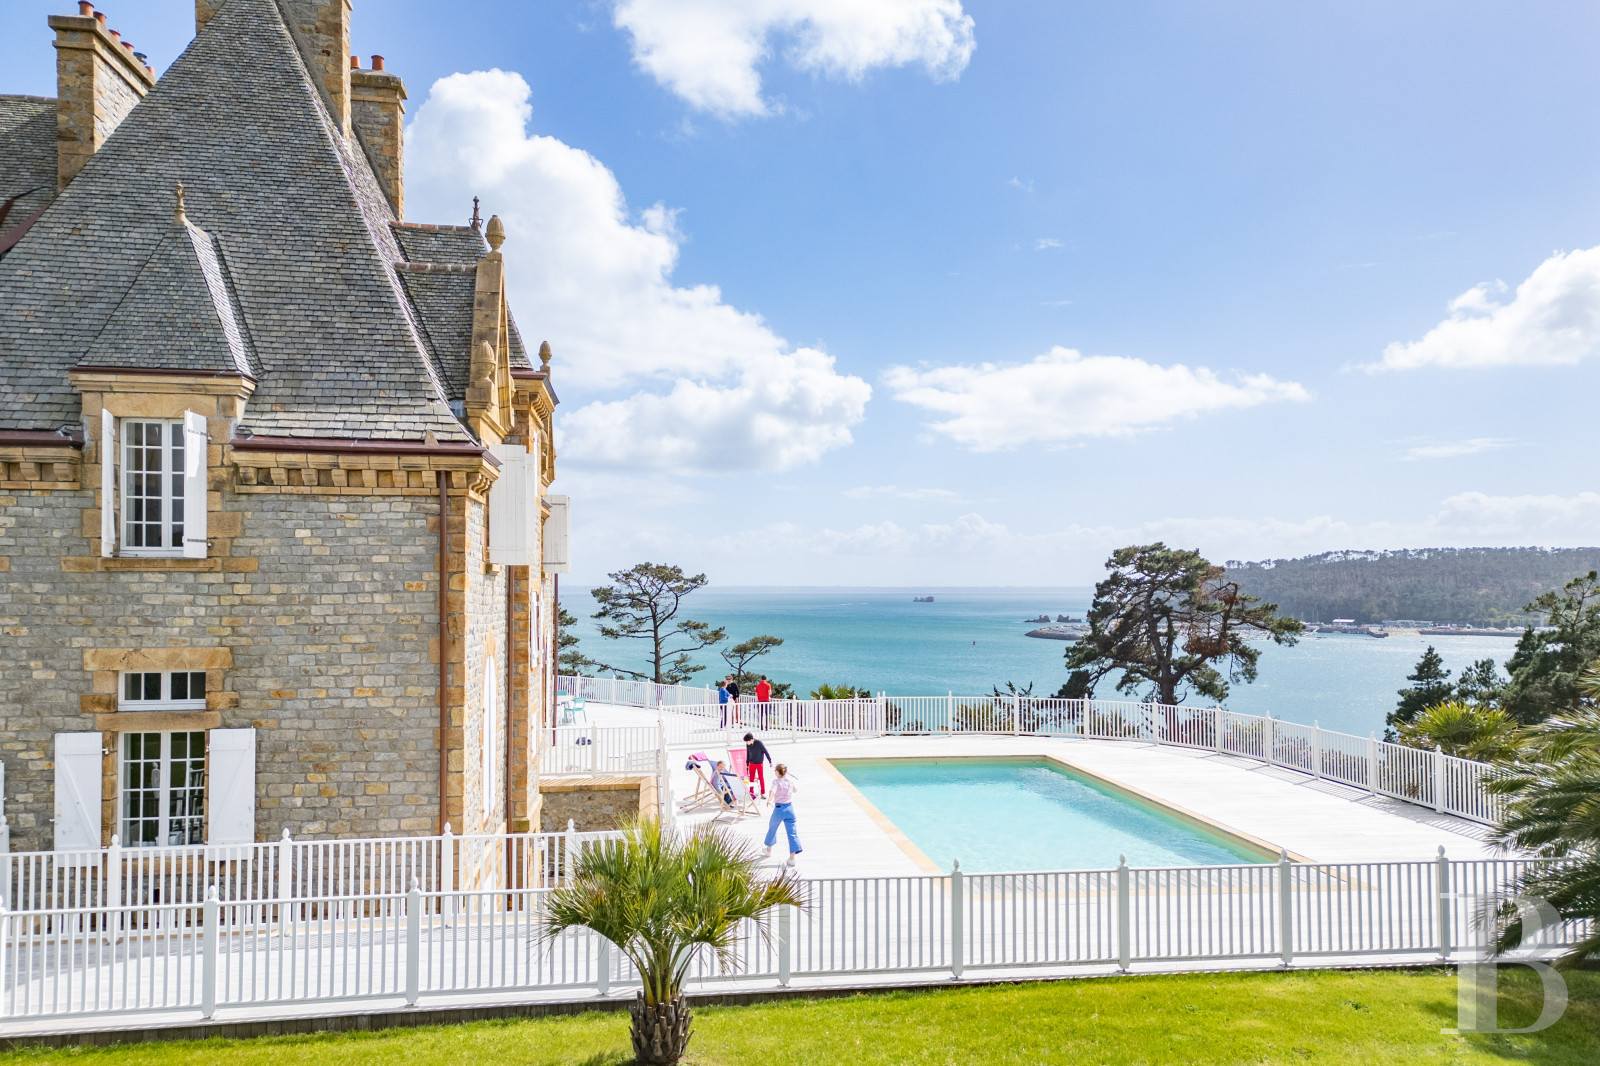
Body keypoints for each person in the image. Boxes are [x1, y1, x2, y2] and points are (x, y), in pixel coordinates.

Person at [763, 763, 802, 866]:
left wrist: (769, 800)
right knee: (792, 833)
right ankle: (792, 858)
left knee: (772, 828)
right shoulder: (790, 781)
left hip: (779, 809)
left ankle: (768, 850)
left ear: (777, 771)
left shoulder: (776, 781)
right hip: (790, 808)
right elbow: (795, 790)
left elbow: (772, 791)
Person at [743, 732, 772, 799]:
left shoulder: (759, 743)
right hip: (751, 763)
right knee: (751, 778)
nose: (746, 743)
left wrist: (769, 760)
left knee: (761, 778)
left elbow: (765, 751)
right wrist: (747, 764)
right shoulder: (748, 745)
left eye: (747, 741)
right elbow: (748, 754)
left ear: (751, 740)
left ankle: (763, 793)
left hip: (759, 763)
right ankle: (751, 792)